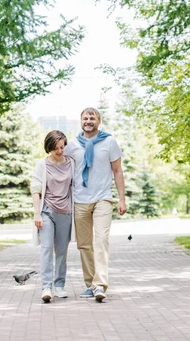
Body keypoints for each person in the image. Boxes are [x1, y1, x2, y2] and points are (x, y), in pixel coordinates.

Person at [65, 107, 127, 302]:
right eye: (85, 117)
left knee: (101, 240)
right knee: (84, 245)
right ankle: (90, 284)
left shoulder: (109, 142)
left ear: (99, 121)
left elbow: (117, 171)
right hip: (80, 200)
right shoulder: (72, 145)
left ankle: (100, 285)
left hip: (103, 199)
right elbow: (63, 169)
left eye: (92, 117)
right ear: (81, 121)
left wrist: (122, 199)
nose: (89, 120)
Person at [30, 130, 75, 302]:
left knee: (62, 252)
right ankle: (46, 287)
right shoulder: (42, 165)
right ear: (49, 147)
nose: (59, 151)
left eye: (62, 147)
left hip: (66, 212)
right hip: (47, 211)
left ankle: (59, 286)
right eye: (56, 148)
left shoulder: (71, 163)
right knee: (47, 249)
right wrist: (36, 214)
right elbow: (36, 189)